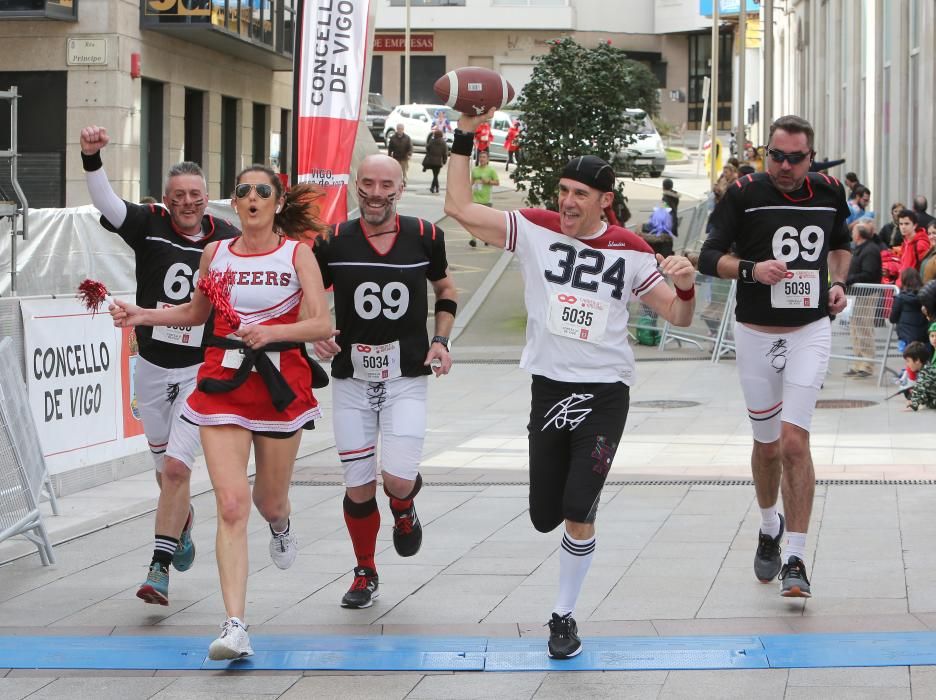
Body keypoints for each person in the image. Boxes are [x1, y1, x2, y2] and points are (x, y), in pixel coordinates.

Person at [444, 110, 696, 660]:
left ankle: (563, 616)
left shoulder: (630, 248)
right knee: (544, 515)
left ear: (605, 200)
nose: (567, 202)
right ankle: (566, 539)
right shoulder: (533, 228)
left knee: (580, 506)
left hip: (606, 391)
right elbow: (458, 208)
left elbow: (677, 319)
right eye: (562, 191)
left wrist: (686, 287)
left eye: (580, 193)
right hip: (550, 388)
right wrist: (465, 134)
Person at [109, 165, 334, 660]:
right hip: (223, 382)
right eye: (243, 191)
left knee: (267, 502)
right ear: (234, 203)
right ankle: (235, 626)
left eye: (262, 191)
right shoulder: (217, 253)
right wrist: (141, 314)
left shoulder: (298, 254)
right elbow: (195, 314)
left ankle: (281, 525)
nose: (251, 198)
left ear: (277, 202)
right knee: (230, 504)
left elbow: (318, 321)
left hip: (278, 386)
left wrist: (272, 333)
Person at [80, 125, 241, 607]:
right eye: (178, 196)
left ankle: (159, 567)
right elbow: (107, 202)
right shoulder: (149, 221)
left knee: (176, 469)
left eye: (195, 195)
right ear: (166, 199)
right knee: (163, 471)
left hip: (199, 367)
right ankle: (182, 524)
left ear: (208, 198)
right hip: (151, 363)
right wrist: (91, 157)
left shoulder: (227, 239)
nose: (187, 203)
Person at [698, 115, 852, 598]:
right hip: (755, 334)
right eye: (776, 155)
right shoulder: (743, 193)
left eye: (795, 158)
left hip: (809, 331)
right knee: (766, 446)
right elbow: (708, 256)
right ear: (767, 152)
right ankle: (769, 526)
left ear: (811, 157)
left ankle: (797, 560)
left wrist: (839, 284)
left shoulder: (829, 192)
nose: (784, 166)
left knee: (793, 444)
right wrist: (751, 269)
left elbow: (842, 245)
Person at [311, 154, 457, 611]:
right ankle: (364, 571)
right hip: (352, 380)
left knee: (396, 478)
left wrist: (440, 340)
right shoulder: (332, 240)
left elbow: (446, 289)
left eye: (386, 185)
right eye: (368, 183)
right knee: (357, 487)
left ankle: (403, 507)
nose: (376, 193)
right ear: (356, 185)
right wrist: (317, 333)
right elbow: (307, 296)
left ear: (402, 187)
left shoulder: (426, 235)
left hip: (406, 377)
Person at [844, 222, 882, 377]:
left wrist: (849, 278)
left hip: (866, 295)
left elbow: (869, 274)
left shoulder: (870, 250)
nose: (851, 234)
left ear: (858, 234)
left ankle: (867, 364)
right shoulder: (858, 248)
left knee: (864, 329)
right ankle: (857, 362)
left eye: (853, 231)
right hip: (857, 294)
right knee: (854, 328)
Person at [890, 268, 930, 353]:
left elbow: (892, 318)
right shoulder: (926, 296)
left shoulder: (900, 298)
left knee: (910, 361)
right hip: (925, 336)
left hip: (906, 337)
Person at [469, 150, 499, 247]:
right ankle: (473, 239)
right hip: (475, 199)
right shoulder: (475, 170)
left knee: (486, 222)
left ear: (487, 159)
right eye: (480, 157)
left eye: (484, 157)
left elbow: (497, 182)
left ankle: (487, 238)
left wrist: (488, 181)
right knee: (474, 221)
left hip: (487, 200)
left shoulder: (491, 170)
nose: (482, 159)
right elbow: (471, 182)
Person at [896, 209, 931, 283]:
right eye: (901, 224)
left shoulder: (921, 243)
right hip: (903, 285)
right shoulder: (905, 242)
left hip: (913, 287)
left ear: (915, 225)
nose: (903, 227)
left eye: (906, 224)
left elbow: (926, 269)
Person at [904, 341, 936, 411]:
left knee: (931, 402)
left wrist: (913, 404)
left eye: (908, 361)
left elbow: (920, 389)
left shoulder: (926, 371)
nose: (907, 364)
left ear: (917, 360)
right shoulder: (926, 367)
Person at [423, 128, 448, 194]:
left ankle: (435, 187)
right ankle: (435, 188)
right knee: (436, 175)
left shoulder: (432, 141)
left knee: (435, 175)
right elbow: (445, 153)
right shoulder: (443, 142)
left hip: (431, 161)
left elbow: (428, 148)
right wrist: (445, 160)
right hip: (439, 162)